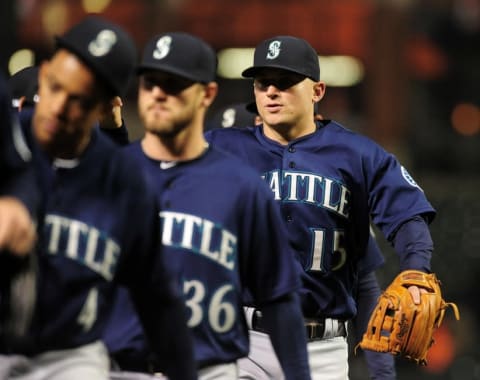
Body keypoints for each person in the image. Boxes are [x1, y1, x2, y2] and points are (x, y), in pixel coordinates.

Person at [205, 35, 435, 379]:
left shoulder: (357, 154)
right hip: (242, 339)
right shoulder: (222, 147)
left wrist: (415, 270)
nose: (271, 91)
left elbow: (407, 214)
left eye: (285, 82)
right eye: (263, 82)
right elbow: (141, 172)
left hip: (322, 349)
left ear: (317, 91)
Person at [106, 31, 311, 380]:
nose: (158, 93)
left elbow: (278, 298)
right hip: (122, 370)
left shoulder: (242, 185)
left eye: (174, 84)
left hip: (211, 371)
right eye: (150, 82)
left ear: (207, 94)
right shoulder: (109, 176)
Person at [0, 16, 197, 380]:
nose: (58, 107)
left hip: (70, 357)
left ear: (105, 106)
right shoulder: (6, 148)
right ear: (43, 72)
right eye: (55, 87)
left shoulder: (124, 180)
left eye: (78, 100)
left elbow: (157, 298)